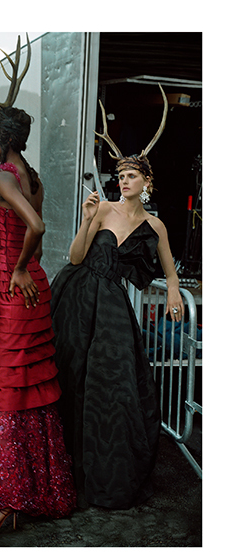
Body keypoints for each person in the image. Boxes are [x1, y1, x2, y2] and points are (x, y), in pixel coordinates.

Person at [50, 86, 181, 510]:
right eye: (120, 176)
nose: (123, 181)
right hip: (77, 297)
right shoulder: (102, 209)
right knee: (73, 380)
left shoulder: (156, 225)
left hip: (112, 308)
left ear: (147, 182)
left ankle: (109, 470)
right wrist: (88, 221)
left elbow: (168, 267)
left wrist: (175, 293)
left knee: (115, 384)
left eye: (131, 176)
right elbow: (73, 256)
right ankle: (69, 469)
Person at [0, 36, 76, 533]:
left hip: (18, 292)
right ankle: (37, 489)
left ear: (5, 139)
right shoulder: (29, 173)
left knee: (5, 389)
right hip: (33, 287)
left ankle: (6, 500)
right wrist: (23, 269)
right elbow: (35, 222)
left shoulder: (4, 178)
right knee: (31, 390)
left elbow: (35, 226)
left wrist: (14, 270)